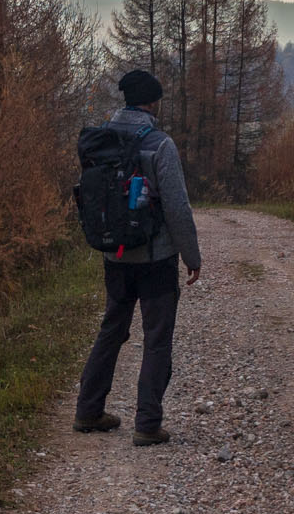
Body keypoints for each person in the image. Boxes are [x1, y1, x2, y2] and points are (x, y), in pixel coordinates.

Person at [74, 69, 203, 446]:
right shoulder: (160, 144)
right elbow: (177, 208)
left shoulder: (102, 140)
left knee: (112, 329)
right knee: (157, 337)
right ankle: (147, 424)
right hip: (156, 259)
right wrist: (191, 255)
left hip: (115, 255)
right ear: (152, 104)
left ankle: (88, 410)